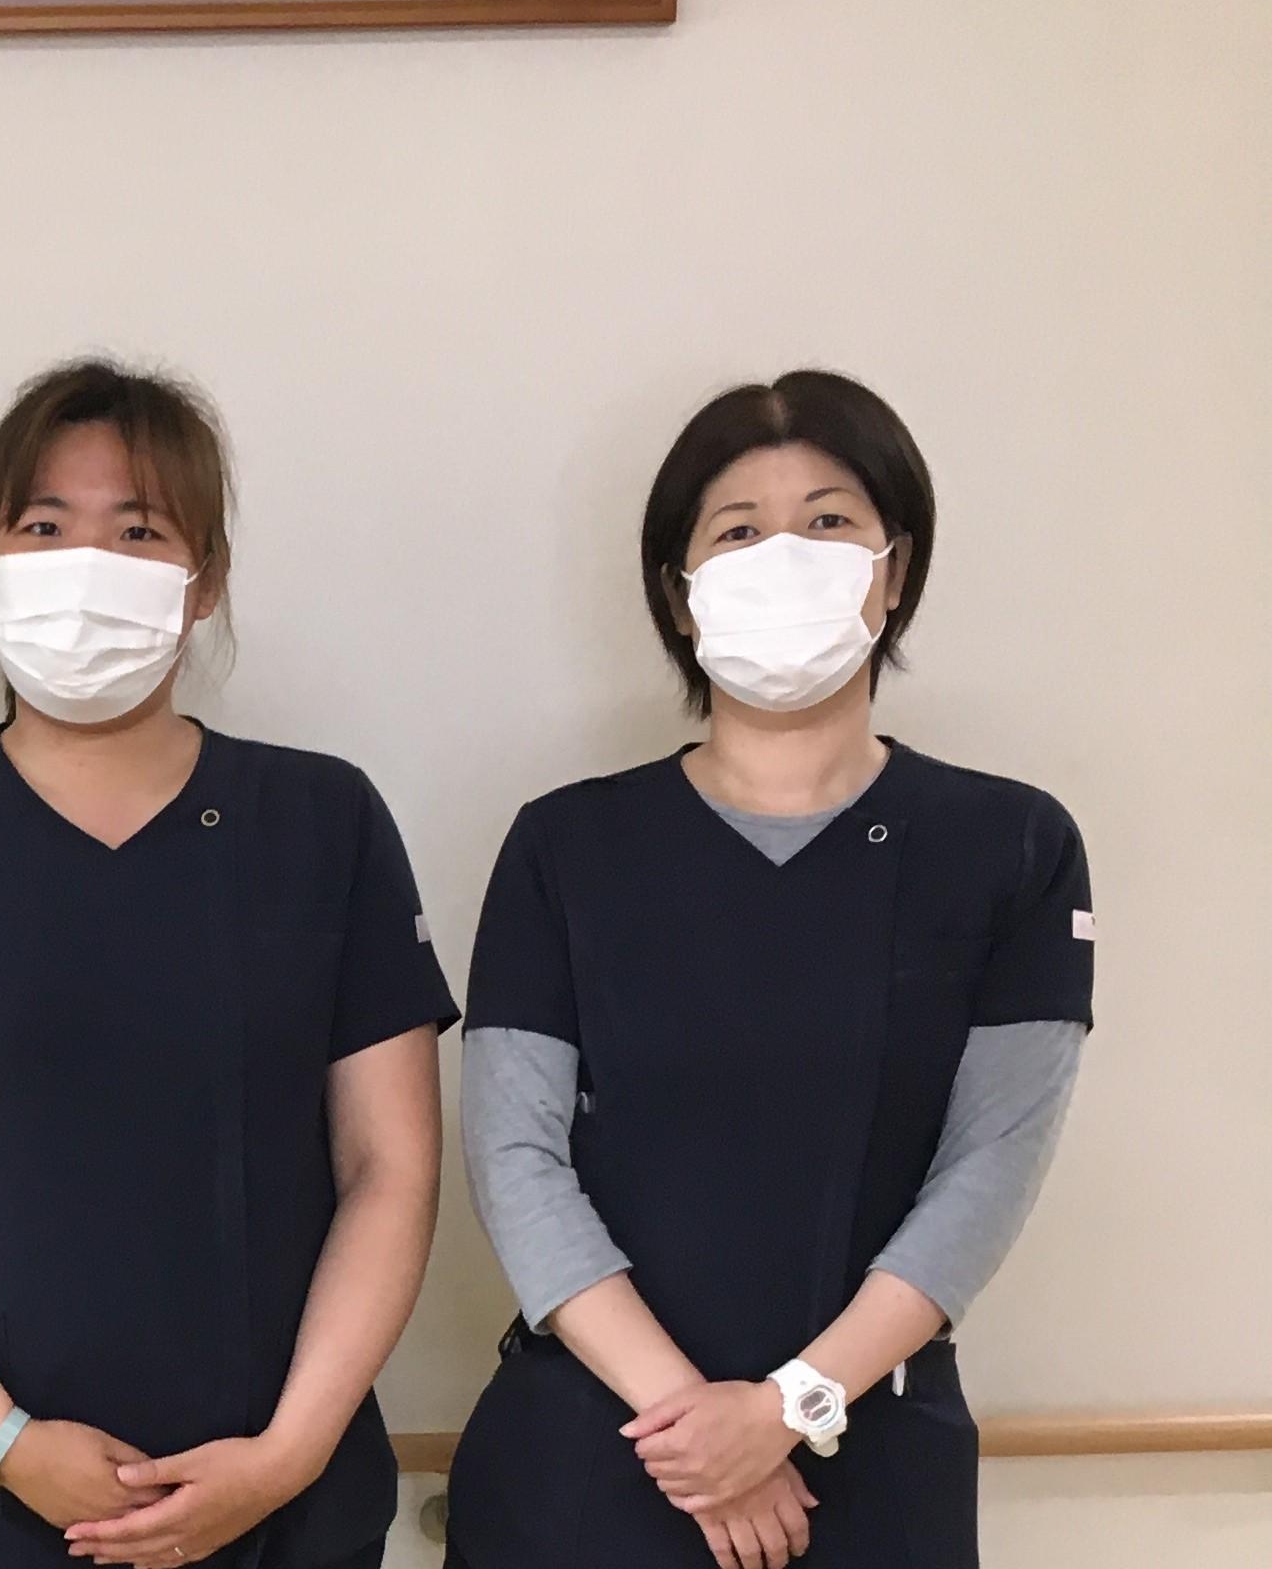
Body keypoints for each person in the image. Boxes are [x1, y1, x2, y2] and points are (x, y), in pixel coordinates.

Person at [0, 358, 457, 1569]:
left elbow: (389, 1169)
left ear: (203, 582)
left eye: (138, 531)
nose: (86, 567)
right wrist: (8, 1443)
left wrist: (288, 1456)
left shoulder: (321, 823)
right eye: (43, 527)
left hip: (278, 1502)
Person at [444, 369, 1094, 1569]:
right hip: (599, 1441)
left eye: (828, 521)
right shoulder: (566, 845)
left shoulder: (1011, 846)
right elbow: (514, 1158)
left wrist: (792, 1405)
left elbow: (988, 1168)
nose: (784, 555)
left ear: (893, 570)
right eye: (738, 531)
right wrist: (696, 1430)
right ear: (681, 593)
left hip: (870, 1446)